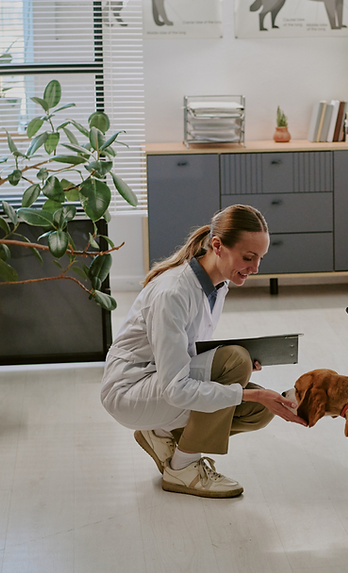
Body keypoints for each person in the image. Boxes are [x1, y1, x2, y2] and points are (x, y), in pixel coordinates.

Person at [101, 204, 305, 499]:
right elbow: (176, 389)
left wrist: (245, 383)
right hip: (131, 392)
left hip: (159, 382)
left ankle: (159, 434)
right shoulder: (173, 291)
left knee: (259, 411)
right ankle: (183, 469)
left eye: (260, 258)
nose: (256, 268)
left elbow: (185, 351)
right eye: (248, 257)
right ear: (218, 246)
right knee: (236, 363)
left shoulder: (216, 285)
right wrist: (244, 384)